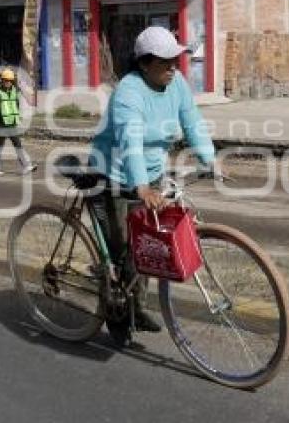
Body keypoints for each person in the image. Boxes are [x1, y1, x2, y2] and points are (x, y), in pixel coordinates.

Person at [88, 26, 218, 332]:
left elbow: (191, 120)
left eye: (176, 59)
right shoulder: (128, 93)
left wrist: (208, 157)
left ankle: (136, 307)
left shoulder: (176, 84)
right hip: (115, 176)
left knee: (145, 246)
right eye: (165, 61)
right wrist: (141, 186)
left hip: (151, 174)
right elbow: (130, 142)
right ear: (144, 63)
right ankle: (116, 313)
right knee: (121, 252)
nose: (173, 67)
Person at [0, 69, 36, 176]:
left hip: (12, 123)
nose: (8, 82)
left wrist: (16, 116)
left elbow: (16, 104)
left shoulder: (14, 91)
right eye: (6, 80)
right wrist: (1, 115)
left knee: (18, 144)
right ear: (2, 80)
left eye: (10, 80)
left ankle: (25, 166)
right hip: (2, 124)